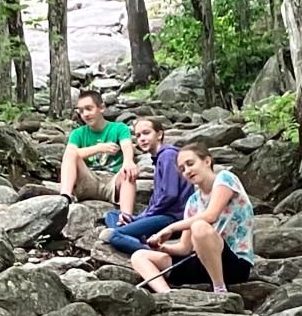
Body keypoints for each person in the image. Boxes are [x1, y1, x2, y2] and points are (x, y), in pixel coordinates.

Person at [130, 142, 255, 294]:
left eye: (190, 164)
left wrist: (171, 227)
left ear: (207, 161)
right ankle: (167, 295)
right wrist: (161, 247)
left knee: (199, 226)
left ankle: (219, 288)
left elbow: (211, 215)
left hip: (234, 264)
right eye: (182, 169)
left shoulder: (225, 178)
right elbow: (185, 248)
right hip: (202, 264)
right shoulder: (193, 201)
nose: (187, 171)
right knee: (139, 255)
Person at [103, 117, 192, 254]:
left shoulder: (167, 155)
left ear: (159, 134)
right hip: (161, 215)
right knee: (112, 214)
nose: (142, 139)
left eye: (146, 133)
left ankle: (151, 250)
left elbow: (170, 195)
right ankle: (133, 234)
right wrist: (138, 218)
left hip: (171, 219)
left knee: (114, 235)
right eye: (138, 136)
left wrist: (141, 218)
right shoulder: (159, 158)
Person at [58, 90, 138, 220]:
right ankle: (64, 199)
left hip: (113, 182)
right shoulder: (78, 133)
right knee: (70, 154)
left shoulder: (119, 128)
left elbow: (127, 147)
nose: (85, 114)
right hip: (88, 180)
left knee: (128, 170)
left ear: (101, 108)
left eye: (89, 109)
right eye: (81, 111)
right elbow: (70, 154)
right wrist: (98, 148)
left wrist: (128, 161)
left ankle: (126, 218)